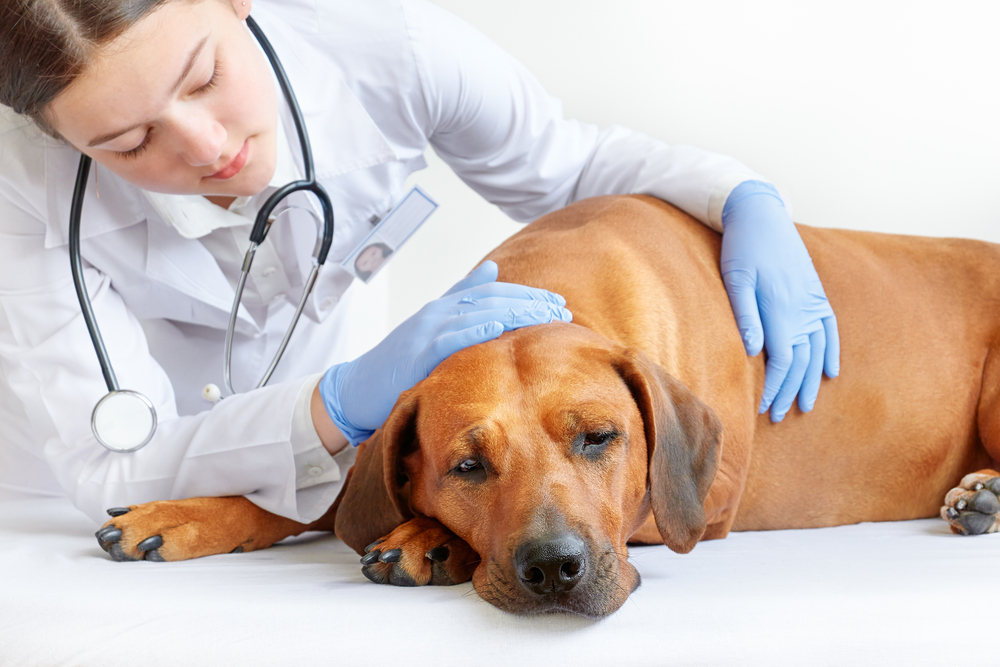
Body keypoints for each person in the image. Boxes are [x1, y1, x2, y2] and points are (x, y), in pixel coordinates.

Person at [0, 0, 838, 526]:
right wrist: (337, 402)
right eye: (129, 141)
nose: (207, 146)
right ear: (56, 136)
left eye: (207, 76)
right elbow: (110, 460)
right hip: (69, 507)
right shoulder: (24, 190)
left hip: (359, 480)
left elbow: (568, 168)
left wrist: (741, 196)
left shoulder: (393, 47)